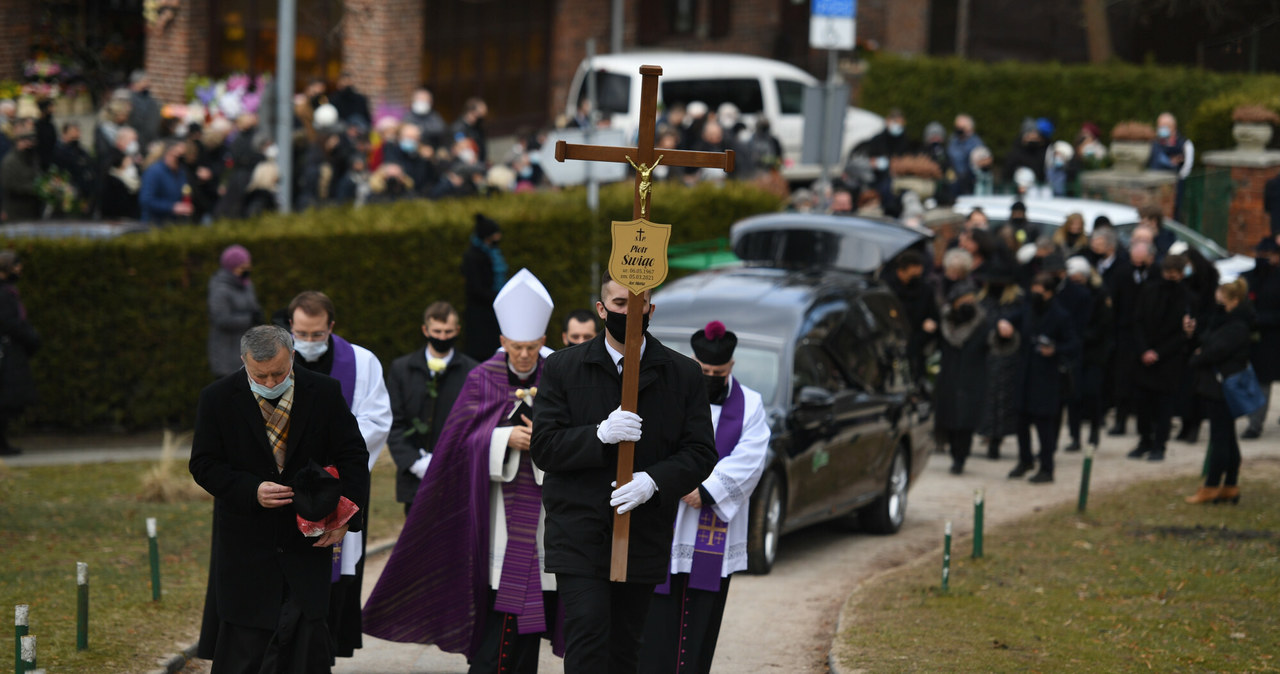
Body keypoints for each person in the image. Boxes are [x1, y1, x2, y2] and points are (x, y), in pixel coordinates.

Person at [363, 269, 561, 671]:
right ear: (503, 342)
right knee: (494, 605)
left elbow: (573, 438)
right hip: (492, 516)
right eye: (516, 347)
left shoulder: (560, 380)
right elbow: (458, 447)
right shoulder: (480, 378)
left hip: (542, 514)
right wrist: (505, 440)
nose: (524, 356)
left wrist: (542, 440)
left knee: (529, 605)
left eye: (531, 347)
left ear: (543, 342)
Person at [529, 272, 718, 672]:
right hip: (578, 529)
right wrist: (598, 435)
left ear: (651, 307)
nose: (630, 313)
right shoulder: (564, 368)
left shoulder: (682, 373)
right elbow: (545, 447)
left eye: (639, 304)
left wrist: (654, 482)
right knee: (588, 631)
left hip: (643, 531)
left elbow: (701, 451)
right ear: (602, 309)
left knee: (625, 645)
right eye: (619, 305)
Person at [190, 325, 369, 673]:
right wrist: (249, 490)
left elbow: (353, 454)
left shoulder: (325, 391)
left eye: (279, 373)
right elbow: (203, 463)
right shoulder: (216, 398)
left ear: (292, 358)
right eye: (261, 375)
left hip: (306, 541)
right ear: (244, 362)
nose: (271, 382)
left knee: (305, 646)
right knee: (246, 648)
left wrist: (346, 516)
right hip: (246, 547)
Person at [638, 321, 768, 673]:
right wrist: (677, 480)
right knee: (656, 621)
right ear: (694, 362)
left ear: (731, 367)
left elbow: (752, 458)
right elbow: (653, 441)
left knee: (699, 621)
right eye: (705, 370)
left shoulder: (751, 405)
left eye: (718, 372)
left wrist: (707, 491)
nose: (710, 376)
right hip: (668, 522)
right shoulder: (670, 394)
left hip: (711, 524)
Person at [286, 291, 392, 660]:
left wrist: (332, 456)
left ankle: (323, 651)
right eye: (302, 333)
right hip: (287, 486)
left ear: (331, 327)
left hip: (340, 485)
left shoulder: (362, 362)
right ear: (290, 327)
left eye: (317, 334)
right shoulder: (277, 360)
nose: (309, 342)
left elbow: (377, 420)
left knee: (334, 569)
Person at [385, 300, 479, 514]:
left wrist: (453, 462)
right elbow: (393, 421)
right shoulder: (402, 369)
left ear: (457, 331)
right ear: (425, 330)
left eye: (448, 331)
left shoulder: (473, 371)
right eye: (437, 331)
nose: (443, 337)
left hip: (458, 474)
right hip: (414, 477)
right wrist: (414, 462)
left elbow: (474, 423)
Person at [1183, 278, 1252, 504]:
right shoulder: (1225, 319)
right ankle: (1230, 485)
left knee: (1220, 438)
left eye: (1220, 291)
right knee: (1228, 438)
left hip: (1222, 388)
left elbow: (1215, 351)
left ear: (1231, 298)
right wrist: (1194, 337)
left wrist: (1196, 357)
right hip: (1219, 385)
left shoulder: (1237, 324)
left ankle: (1212, 486)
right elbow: (1209, 343)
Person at [1008, 272, 1080, 483]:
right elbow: (1011, 319)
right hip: (1025, 374)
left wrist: (1055, 349)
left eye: (1039, 292)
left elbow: (1074, 344)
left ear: (1049, 293)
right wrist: (1005, 325)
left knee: (1044, 425)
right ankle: (1025, 459)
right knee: (1021, 421)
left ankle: (1047, 467)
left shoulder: (1060, 315)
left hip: (1047, 378)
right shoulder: (1028, 310)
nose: (1035, 295)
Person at [1127, 254, 1190, 462]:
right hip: (1144, 356)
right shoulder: (1149, 290)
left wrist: (1159, 353)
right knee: (1142, 404)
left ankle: (1159, 445)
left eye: (1174, 274)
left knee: (1164, 407)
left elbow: (1183, 334)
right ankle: (1144, 440)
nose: (1170, 277)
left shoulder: (1187, 297)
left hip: (1168, 360)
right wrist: (1144, 350)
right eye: (1167, 273)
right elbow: (1136, 321)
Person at [934, 281, 988, 474]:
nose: (968, 303)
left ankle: (960, 458)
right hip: (948, 375)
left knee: (966, 421)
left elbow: (992, 346)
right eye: (964, 300)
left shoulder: (982, 323)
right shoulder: (944, 322)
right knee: (948, 418)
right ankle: (954, 453)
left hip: (972, 377)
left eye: (971, 300)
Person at [1063, 256, 1113, 451]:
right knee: (1073, 396)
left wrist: (1084, 336)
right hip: (1076, 351)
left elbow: (1104, 324)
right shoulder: (1069, 294)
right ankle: (1075, 436)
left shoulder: (1099, 294)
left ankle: (1094, 429)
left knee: (1092, 393)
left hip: (1094, 352)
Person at [0, 251, 38, 456]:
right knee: (7, 400)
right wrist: (32, 337)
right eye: (15, 266)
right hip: (6, 354)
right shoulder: (5, 295)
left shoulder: (9, 292)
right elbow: (11, 323)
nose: (19, 270)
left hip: (8, 352)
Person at [207, 245, 263, 378]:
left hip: (246, 349)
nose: (246, 269)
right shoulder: (220, 288)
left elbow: (252, 305)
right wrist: (248, 319)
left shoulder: (246, 284)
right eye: (242, 266)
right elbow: (221, 319)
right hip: (227, 352)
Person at [1243, 238, 1280, 438]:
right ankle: (1255, 423)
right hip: (1259, 340)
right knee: (1260, 382)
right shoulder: (1252, 276)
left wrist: (1264, 318)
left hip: (1273, 336)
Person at [884, 250, 938, 382]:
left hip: (916, 341)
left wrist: (930, 325)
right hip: (890, 341)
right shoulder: (887, 288)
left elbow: (933, 315)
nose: (917, 278)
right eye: (913, 275)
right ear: (901, 271)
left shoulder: (925, 289)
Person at [461, 213, 507, 360]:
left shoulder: (491, 254)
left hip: (492, 313)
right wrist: (499, 297)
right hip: (480, 316)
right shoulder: (473, 257)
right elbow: (476, 289)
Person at [1147, 113, 1194, 219]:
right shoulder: (1154, 143)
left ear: (1173, 127)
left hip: (1175, 187)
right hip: (1154, 186)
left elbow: (1187, 167)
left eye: (1164, 126)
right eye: (1159, 126)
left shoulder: (1184, 144)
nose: (1161, 129)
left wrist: (1176, 178)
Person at [139, 140, 194, 224]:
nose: (179, 160)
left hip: (175, 224)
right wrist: (172, 207)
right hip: (155, 225)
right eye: (177, 156)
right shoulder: (154, 171)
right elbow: (146, 200)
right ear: (169, 153)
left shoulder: (181, 172)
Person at [0, 126, 41, 221]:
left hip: (32, 209)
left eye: (33, 141)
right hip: (16, 210)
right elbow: (8, 184)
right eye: (27, 141)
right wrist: (33, 189)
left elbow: (37, 176)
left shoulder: (33, 159)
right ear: (19, 142)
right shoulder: (10, 161)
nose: (31, 144)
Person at [451, 97, 489, 164]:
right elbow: (461, 148)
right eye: (479, 114)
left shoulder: (477, 127)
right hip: (467, 165)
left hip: (480, 162)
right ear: (471, 112)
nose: (481, 118)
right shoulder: (458, 127)